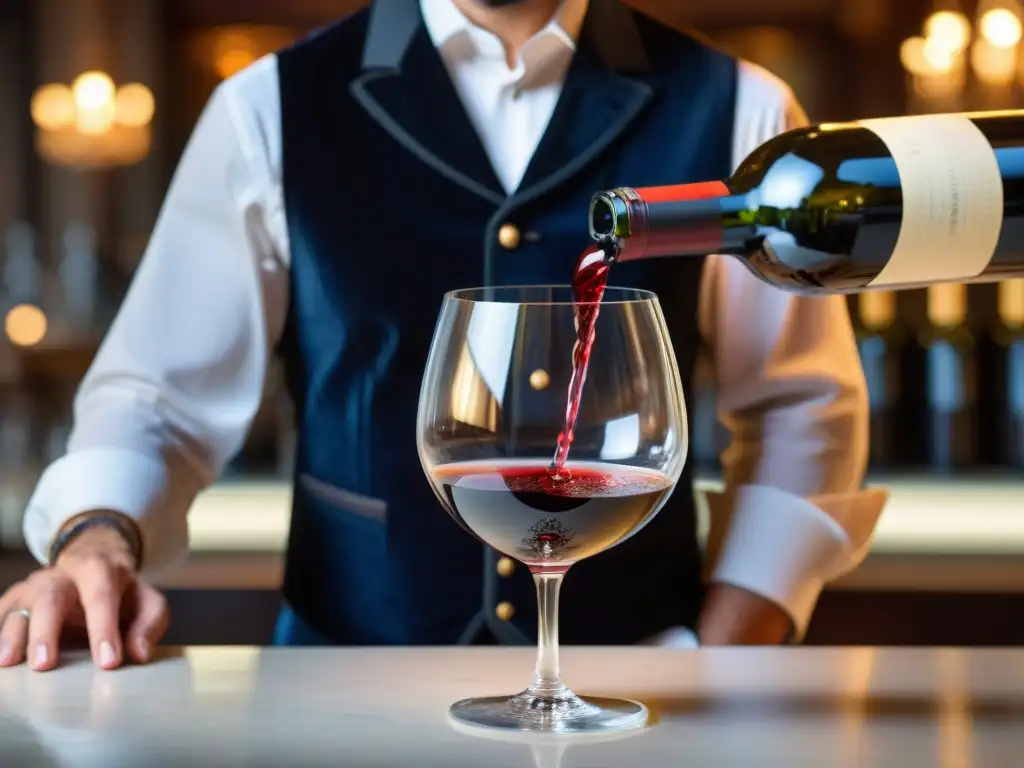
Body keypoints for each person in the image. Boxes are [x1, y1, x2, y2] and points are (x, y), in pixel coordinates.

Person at [0, 0, 886, 671]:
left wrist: (723, 653)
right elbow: (159, 401)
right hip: (341, 699)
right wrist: (98, 538)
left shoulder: (740, 105)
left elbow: (800, 408)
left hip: (640, 692)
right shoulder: (267, 108)